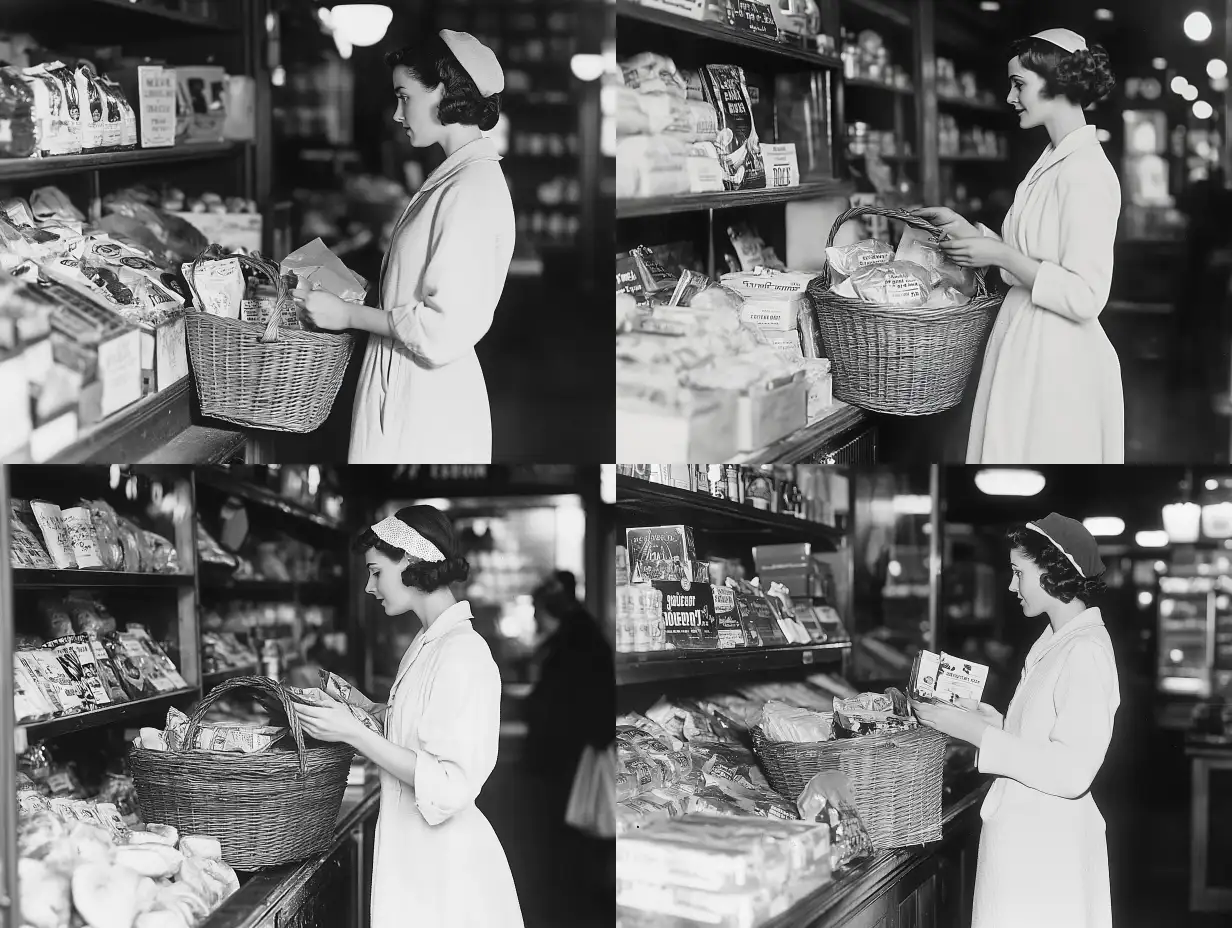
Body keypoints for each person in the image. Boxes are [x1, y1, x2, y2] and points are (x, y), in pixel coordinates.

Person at [290, 505, 523, 928]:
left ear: (412, 563)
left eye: (376, 572)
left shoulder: (463, 653)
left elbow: (449, 784)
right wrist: (359, 708)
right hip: (414, 853)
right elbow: (412, 732)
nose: (368, 586)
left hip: (446, 870)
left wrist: (354, 734)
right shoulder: (427, 642)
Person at [293, 31, 515, 463]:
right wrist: (360, 291)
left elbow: (442, 326)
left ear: (444, 93)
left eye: (404, 96)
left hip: (428, 401)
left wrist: (349, 315)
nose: (397, 113)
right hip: (408, 380)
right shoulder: (456, 176)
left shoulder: (471, 188)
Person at [913, 28, 1123, 463]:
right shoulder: (1051, 158)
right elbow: (1029, 253)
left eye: (1019, 84)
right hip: (1026, 339)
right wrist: (971, 235)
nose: (1011, 97)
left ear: (1059, 82)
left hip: (1060, 357)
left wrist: (1001, 256)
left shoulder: (1086, 172)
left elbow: (1086, 295)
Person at [910, 513, 1120, 928]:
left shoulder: (1086, 651)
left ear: (1052, 572)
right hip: (1029, 846)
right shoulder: (1056, 643)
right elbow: (1046, 740)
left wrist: (978, 734)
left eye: (1017, 572)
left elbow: (1073, 771)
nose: (1011, 586)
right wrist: (997, 722)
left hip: (1045, 856)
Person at [524, 571, 616, 911]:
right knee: (576, 843)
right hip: (573, 754)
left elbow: (558, 704)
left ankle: (571, 907)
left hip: (569, 759)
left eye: (537, 614)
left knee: (571, 842)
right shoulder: (584, 635)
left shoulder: (570, 643)